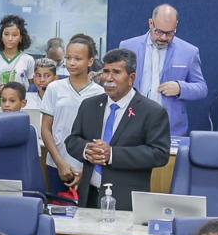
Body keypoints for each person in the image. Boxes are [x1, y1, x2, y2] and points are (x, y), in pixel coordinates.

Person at [65, 49, 171, 209]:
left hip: (126, 201)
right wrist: (87, 149)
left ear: (131, 78)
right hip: (89, 197)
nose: (108, 78)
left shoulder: (152, 112)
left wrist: (113, 154)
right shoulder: (89, 105)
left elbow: (159, 154)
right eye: (106, 71)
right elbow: (72, 140)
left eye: (116, 72)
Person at [118, 4, 206, 138]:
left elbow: (201, 88)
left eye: (170, 33)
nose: (164, 38)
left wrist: (180, 88)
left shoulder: (189, 52)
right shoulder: (127, 47)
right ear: (150, 23)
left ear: (176, 25)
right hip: (131, 124)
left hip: (169, 129)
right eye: (158, 31)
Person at [40, 34, 104, 195]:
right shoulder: (55, 88)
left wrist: (87, 168)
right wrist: (60, 162)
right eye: (68, 58)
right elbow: (46, 129)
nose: (71, 63)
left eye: (78, 58)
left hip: (88, 168)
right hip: (57, 164)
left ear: (90, 61)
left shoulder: (100, 93)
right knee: (58, 212)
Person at [0, 14, 35, 105]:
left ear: (21, 38)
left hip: (18, 107)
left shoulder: (28, 60)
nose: (9, 39)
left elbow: (33, 87)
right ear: (1, 36)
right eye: (6, 34)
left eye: (14, 35)